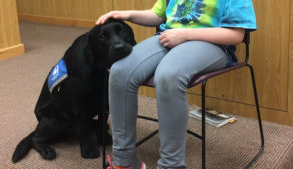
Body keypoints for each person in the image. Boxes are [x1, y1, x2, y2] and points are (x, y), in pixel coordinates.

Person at [96, 0, 256, 168]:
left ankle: (171, 165)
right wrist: (128, 15)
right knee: (120, 71)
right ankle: (124, 162)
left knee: (168, 75)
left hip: (213, 45)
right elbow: (158, 15)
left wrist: (185, 34)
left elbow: (236, 35)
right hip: (168, 38)